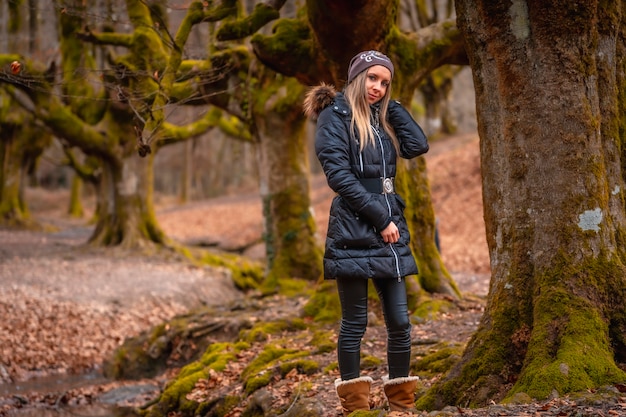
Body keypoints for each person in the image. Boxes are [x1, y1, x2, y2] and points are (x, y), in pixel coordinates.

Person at [303, 50, 429, 415]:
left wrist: (393, 106)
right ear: (357, 77)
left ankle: (401, 406)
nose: (377, 87)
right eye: (372, 78)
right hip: (355, 224)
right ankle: (355, 407)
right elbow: (338, 176)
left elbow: (417, 146)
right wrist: (379, 218)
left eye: (384, 82)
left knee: (401, 322)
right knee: (355, 321)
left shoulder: (381, 114)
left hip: (391, 221)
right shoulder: (335, 115)